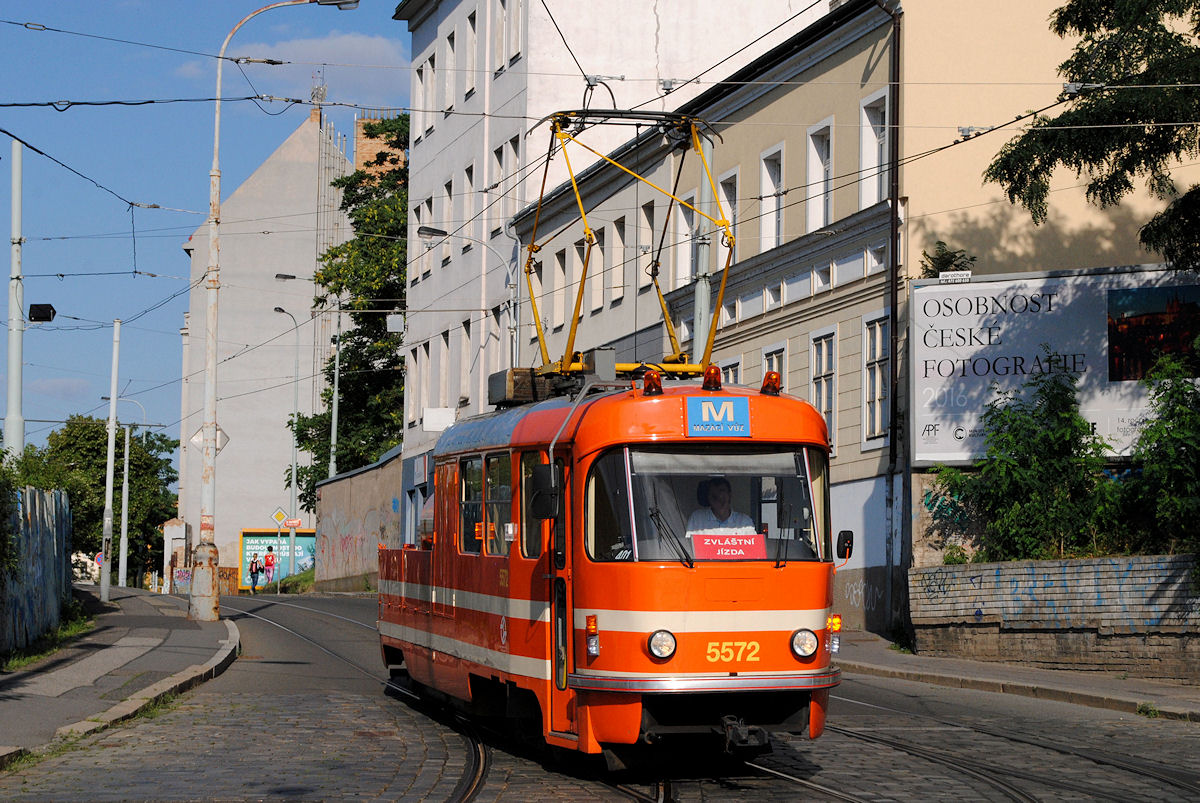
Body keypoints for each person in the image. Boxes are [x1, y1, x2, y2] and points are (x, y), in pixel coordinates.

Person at [686, 476, 755, 535]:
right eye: (714, 496)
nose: (719, 497)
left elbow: (753, 548)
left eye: (722, 492)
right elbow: (688, 545)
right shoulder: (697, 519)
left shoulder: (744, 521)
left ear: (729, 495)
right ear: (708, 497)